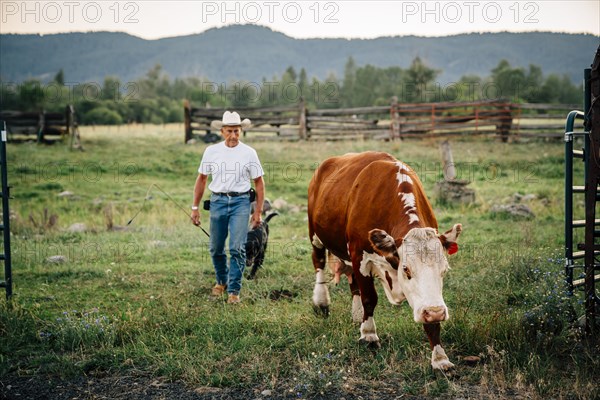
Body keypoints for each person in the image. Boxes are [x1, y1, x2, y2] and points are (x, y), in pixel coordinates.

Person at [191, 111, 265, 304]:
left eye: (237, 131)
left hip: (241, 202)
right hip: (218, 202)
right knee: (215, 248)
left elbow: (259, 182)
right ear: (222, 131)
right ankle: (221, 281)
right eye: (229, 131)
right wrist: (194, 207)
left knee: (236, 248)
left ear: (241, 131)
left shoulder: (249, 153)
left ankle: (234, 290)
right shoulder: (211, 151)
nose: (233, 136)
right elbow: (202, 179)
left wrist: (257, 211)